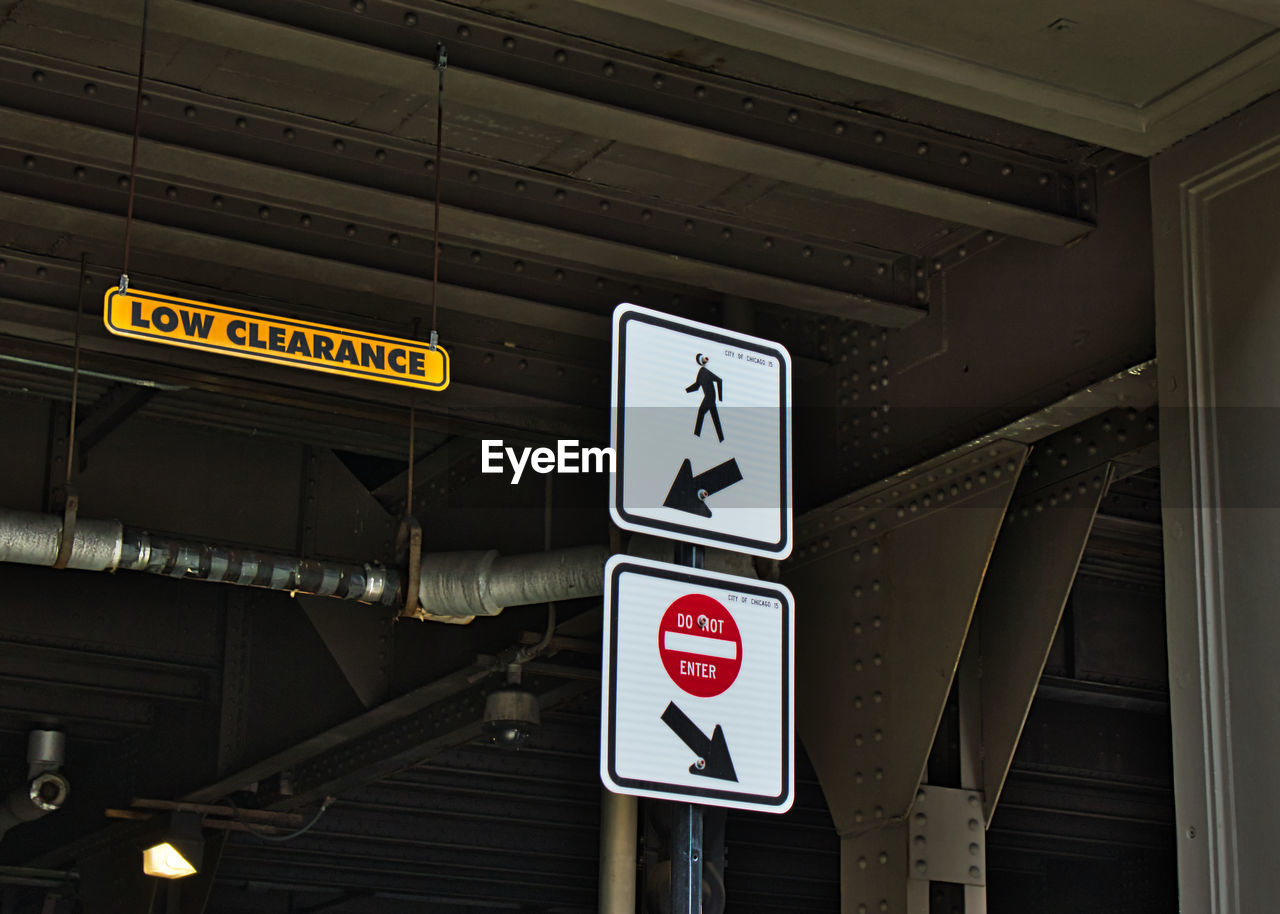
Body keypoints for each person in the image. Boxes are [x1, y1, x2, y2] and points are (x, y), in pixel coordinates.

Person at [685, 353, 724, 442]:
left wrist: (720, 398)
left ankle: (696, 435)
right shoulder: (701, 372)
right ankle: (721, 438)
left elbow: (719, 380)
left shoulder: (705, 371)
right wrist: (686, 390)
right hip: (710, 398)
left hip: (709, 398)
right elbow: (696, 386)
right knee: (715, 418)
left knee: (701, 413)